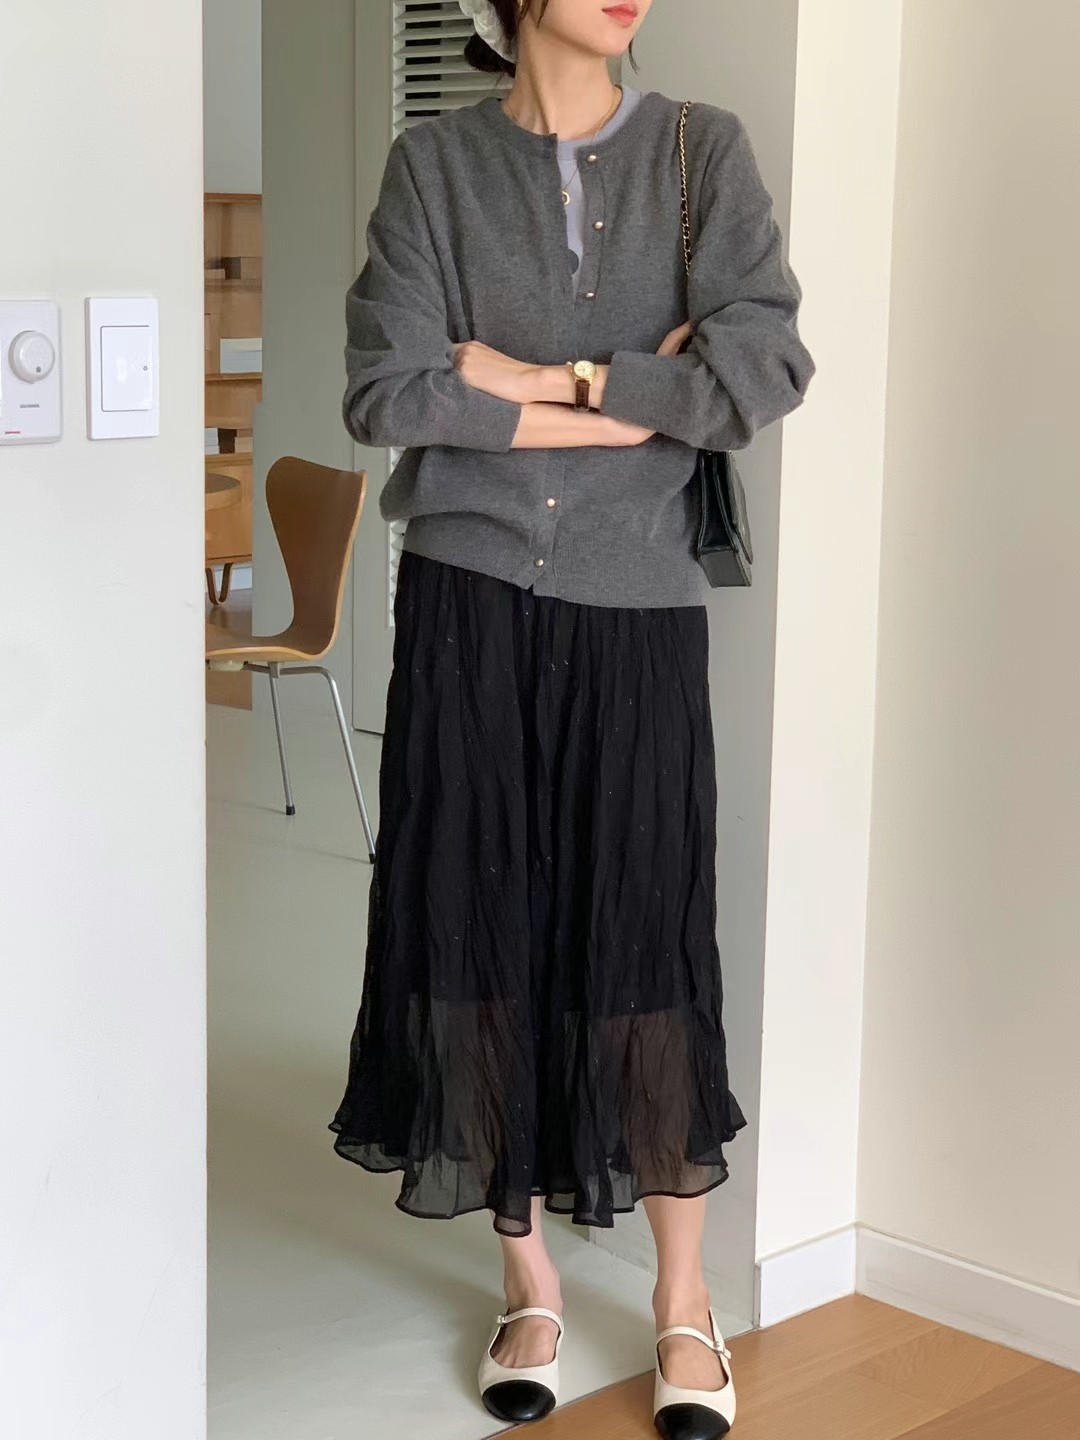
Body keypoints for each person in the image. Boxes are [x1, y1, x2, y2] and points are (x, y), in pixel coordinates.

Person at [329, 1, 815, 1434]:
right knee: (476, 925)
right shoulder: (434, 167)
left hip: (638, 603)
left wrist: (549, 380)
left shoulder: (699, 153)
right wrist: (628, 402)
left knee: (642, 930)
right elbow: (388, 390)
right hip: (470, 598)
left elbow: (761, 371)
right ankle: (527, 1278)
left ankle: (683, 1297)